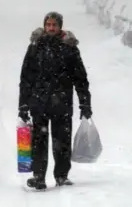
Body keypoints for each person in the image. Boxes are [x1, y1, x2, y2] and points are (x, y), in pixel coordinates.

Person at [18, 11, 92, 190]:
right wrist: (23, 105)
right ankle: (38, 177)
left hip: (62, 104)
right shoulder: (36, 46)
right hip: (39, 102)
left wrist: (85, 103)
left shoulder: (69, 48)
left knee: (62, 141)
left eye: (54, 25)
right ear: (44, 26)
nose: (51, 28)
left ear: (60, 27)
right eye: (48, 25)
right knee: (38, 141)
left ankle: (61, 176)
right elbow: (26, 77)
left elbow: (80, 78)